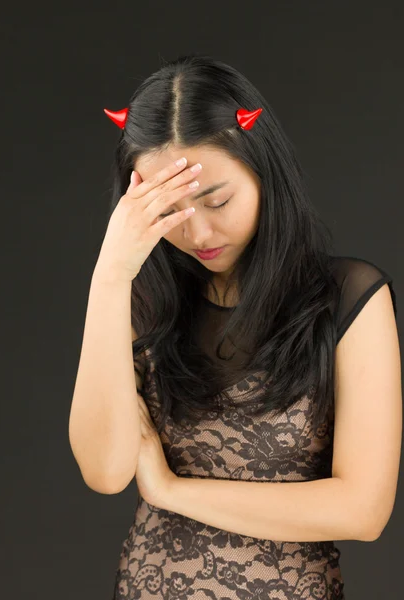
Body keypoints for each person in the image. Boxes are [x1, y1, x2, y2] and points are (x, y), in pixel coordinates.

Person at [69, 53, 400, 600]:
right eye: (170, 211)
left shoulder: (347, 299)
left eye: (216, 199)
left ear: (263, 169)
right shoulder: (143, 303)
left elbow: (363, 511)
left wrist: (171, 490)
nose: (197, 232)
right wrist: (110, 278)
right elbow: (104, 472)